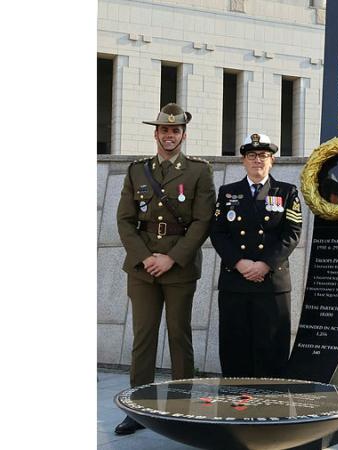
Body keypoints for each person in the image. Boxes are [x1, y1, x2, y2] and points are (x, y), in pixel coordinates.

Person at [114, 103, 215, 435]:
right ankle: (137, 407)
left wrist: (171, 258)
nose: (169, 135)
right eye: (164, 130)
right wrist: (145, 257)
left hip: (179, 266)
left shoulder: (199, 171)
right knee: (143, 336)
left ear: (183, 135)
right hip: (142, 268)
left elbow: (203, 221)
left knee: (178, 335)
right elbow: (125, 221)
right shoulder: (137, 171)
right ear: (155, 133)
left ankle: (181, 406)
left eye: (175, 131)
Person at [210, 133, 302, 377]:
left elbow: (292, 233)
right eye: (252, 155)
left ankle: (271, 407)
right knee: (234, 351)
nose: (257, 160)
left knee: (272, 352)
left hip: (272, 284)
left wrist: (265, 264)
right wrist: (239, 263)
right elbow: (218, 233)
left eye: (263, 155)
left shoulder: (287, 192)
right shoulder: (227, 192)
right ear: (243, 161)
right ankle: (235, 406)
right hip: (235, 282)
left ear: (272, 161)